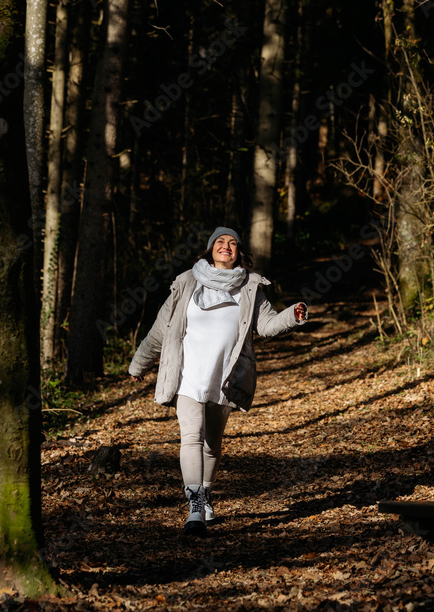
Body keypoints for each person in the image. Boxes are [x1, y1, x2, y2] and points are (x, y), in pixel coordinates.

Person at [128, 226, 308, 536]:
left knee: (212, 443)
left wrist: (292, 315)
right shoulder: (187, 281)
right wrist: (140, 363)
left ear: (239, 252)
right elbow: (161, 327)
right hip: (187, 375)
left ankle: (206, 493)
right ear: (211, 249)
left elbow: (266, 325)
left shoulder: (250, 286)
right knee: (191, 437)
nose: (226, 246)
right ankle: (195, 506)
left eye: (233, 243)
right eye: (220, 242)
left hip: (225, 377)